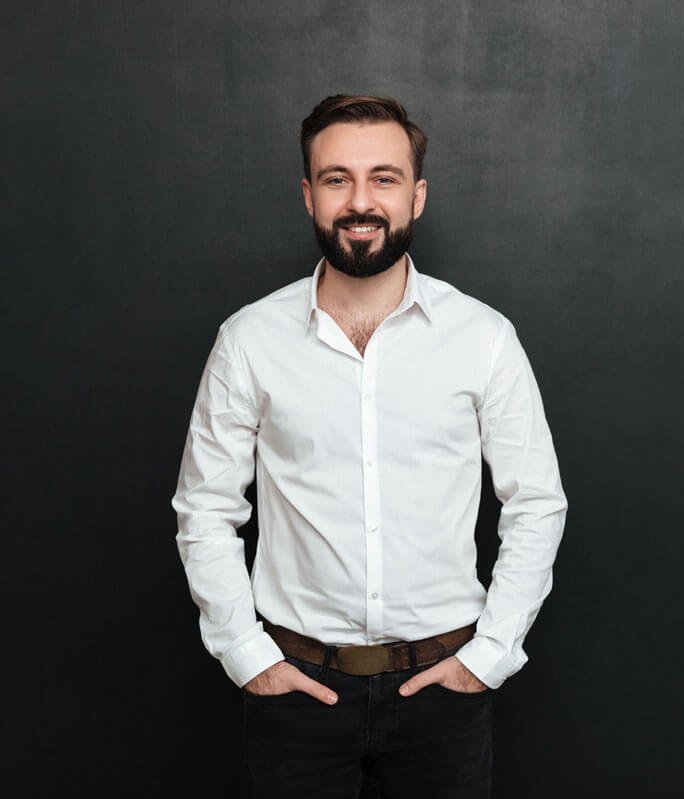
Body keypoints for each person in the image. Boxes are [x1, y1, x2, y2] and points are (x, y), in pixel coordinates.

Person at [171, 94, 567, 798]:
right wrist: (246, 654)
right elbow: (204, 507)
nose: (361, 201)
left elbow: (536, 503)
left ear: (418, 194)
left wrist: (489, 655)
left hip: (444, 694)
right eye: (337, 179)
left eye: (384, 178)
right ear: (308, 195)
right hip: (294, 695)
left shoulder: (483, 338)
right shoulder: (249, 340)